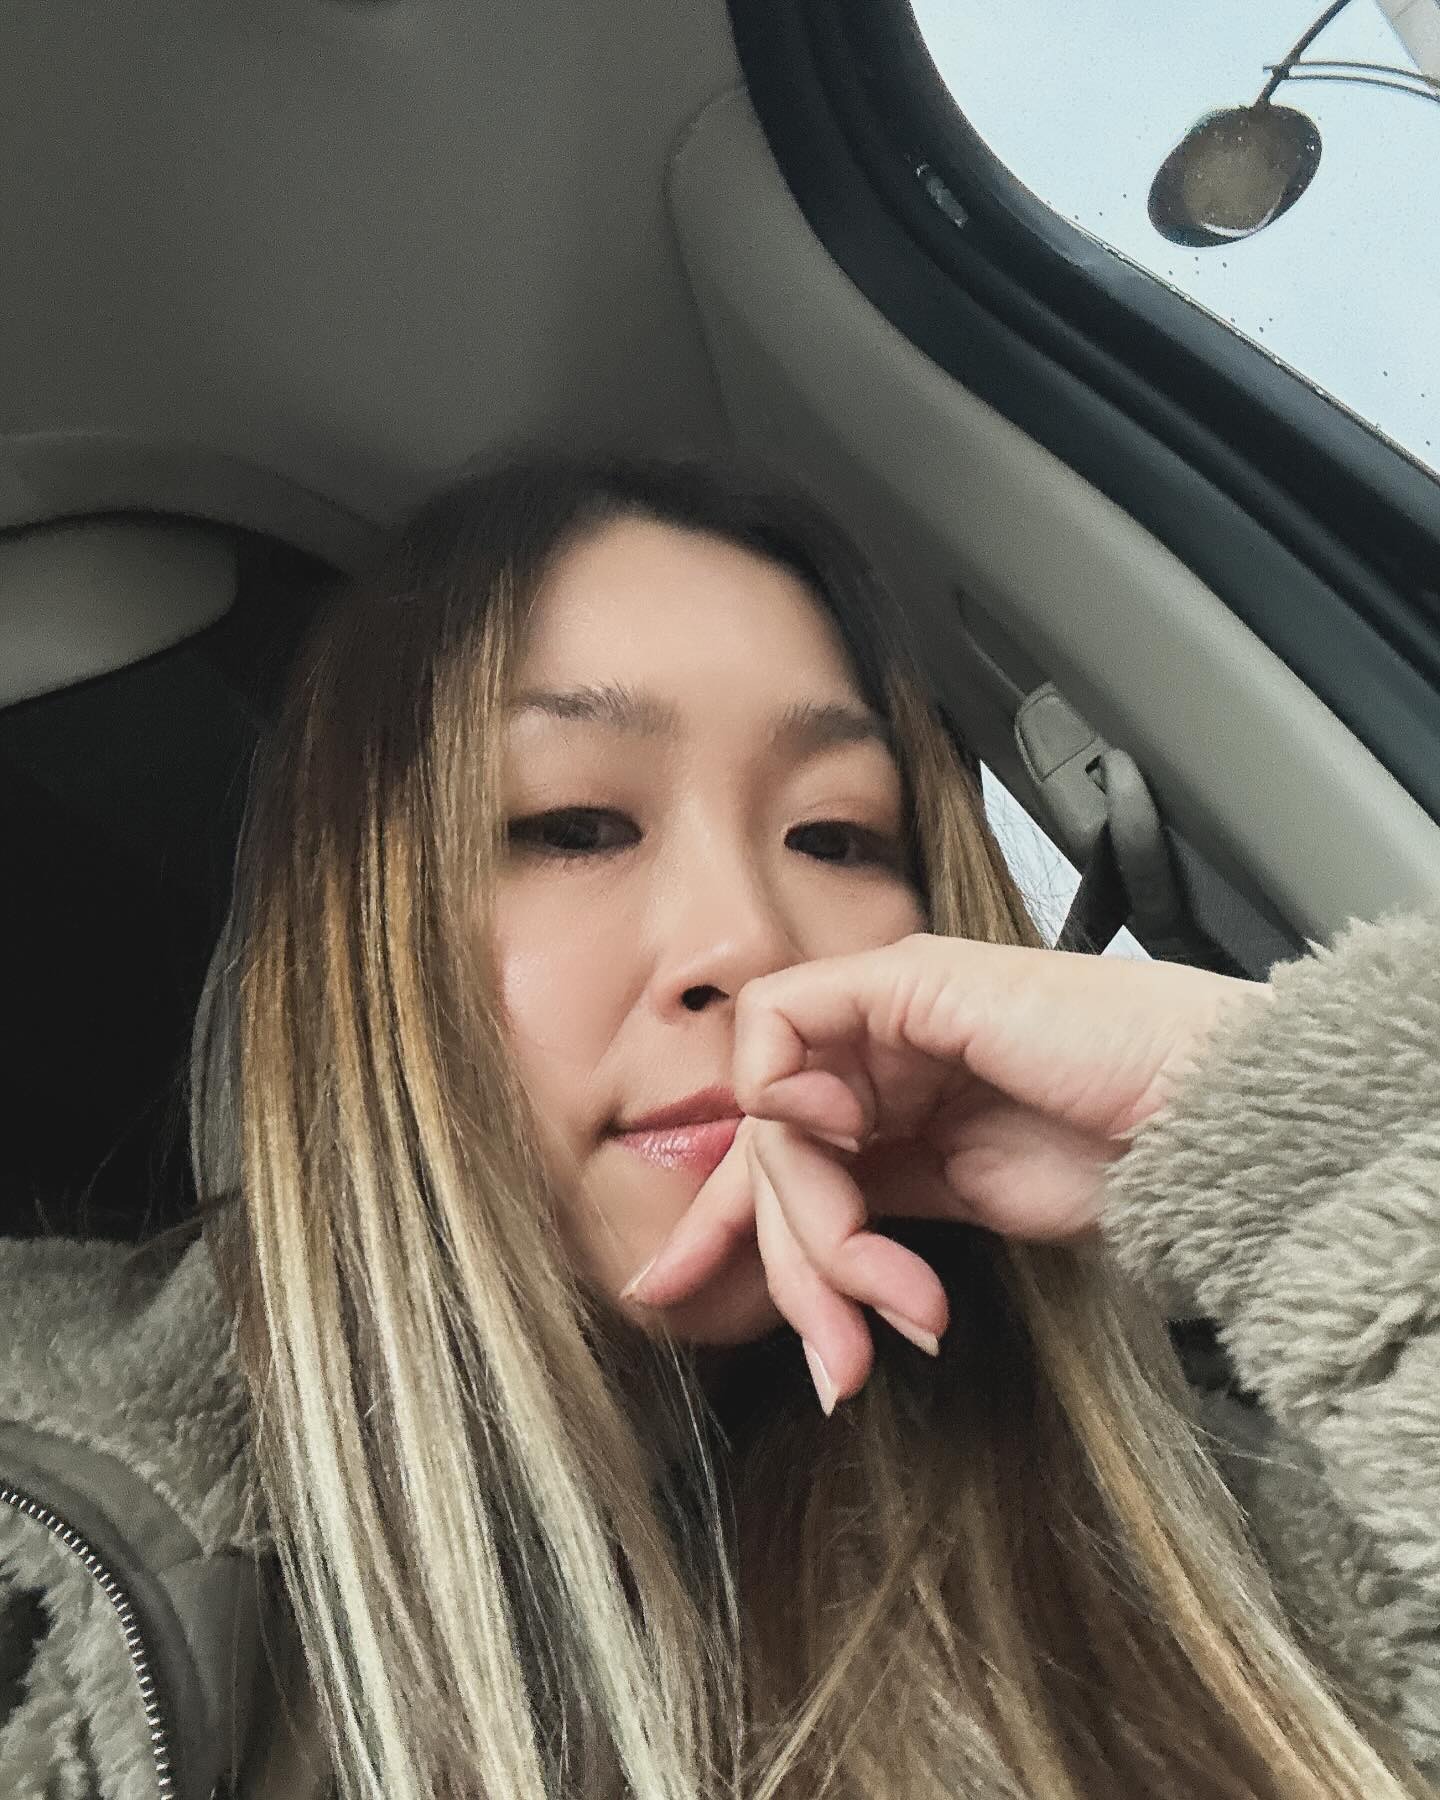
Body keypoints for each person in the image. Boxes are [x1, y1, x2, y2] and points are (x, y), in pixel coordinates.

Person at [0, 450, 1435, 1800]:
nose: (748, 939)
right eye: (573, 825)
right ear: (342, 955)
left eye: (837, 837)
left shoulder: (1211, 1541)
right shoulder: (51, 1554)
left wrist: (1283, 1123)